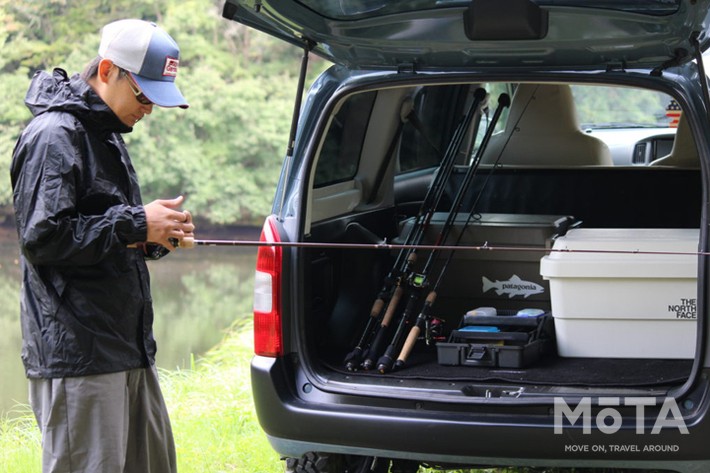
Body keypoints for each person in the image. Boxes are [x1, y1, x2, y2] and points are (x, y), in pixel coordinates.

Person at [10, 19, 194, 473]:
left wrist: (155, 236)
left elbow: (102, 235)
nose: (149, 108)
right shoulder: (54, 135)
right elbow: (44, 239)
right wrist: (136, 221)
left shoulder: (106, 132)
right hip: (79, 355)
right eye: (144, 94)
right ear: (109, 70)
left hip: (125, 347)